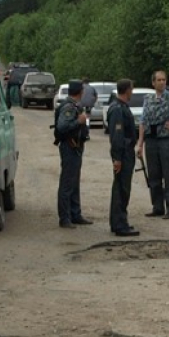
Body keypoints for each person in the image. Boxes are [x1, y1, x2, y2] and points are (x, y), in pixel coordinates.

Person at [136, 70, 169, 219]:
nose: (161, 82)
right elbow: (143, 121)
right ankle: (157, 206)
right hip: (151, 140)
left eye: (164, 80)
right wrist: (140, 144)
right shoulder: (148, 99)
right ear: (153, 83)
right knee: (154, 174)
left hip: (166, 140)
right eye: (158, 80)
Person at [55, 80, 93, 228]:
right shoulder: (69, 107)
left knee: (74, 182)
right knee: (67, 183)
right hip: (69, 147)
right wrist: (79, 121)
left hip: (76, 147)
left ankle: (75, 214)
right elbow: (62, 126)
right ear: (80, 92)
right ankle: (64, 218)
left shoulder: (75, 105)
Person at [107, 79, 140, 237]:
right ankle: (120, 224)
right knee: (121, 188)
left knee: (121, 188)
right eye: (131, 89)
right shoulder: (118, 109)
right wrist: (118, 158)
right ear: (127, 90)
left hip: (126, 152)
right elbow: (117, 136)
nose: (132, 92)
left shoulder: (121, 107)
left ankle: (118, 222)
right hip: (123, 153)